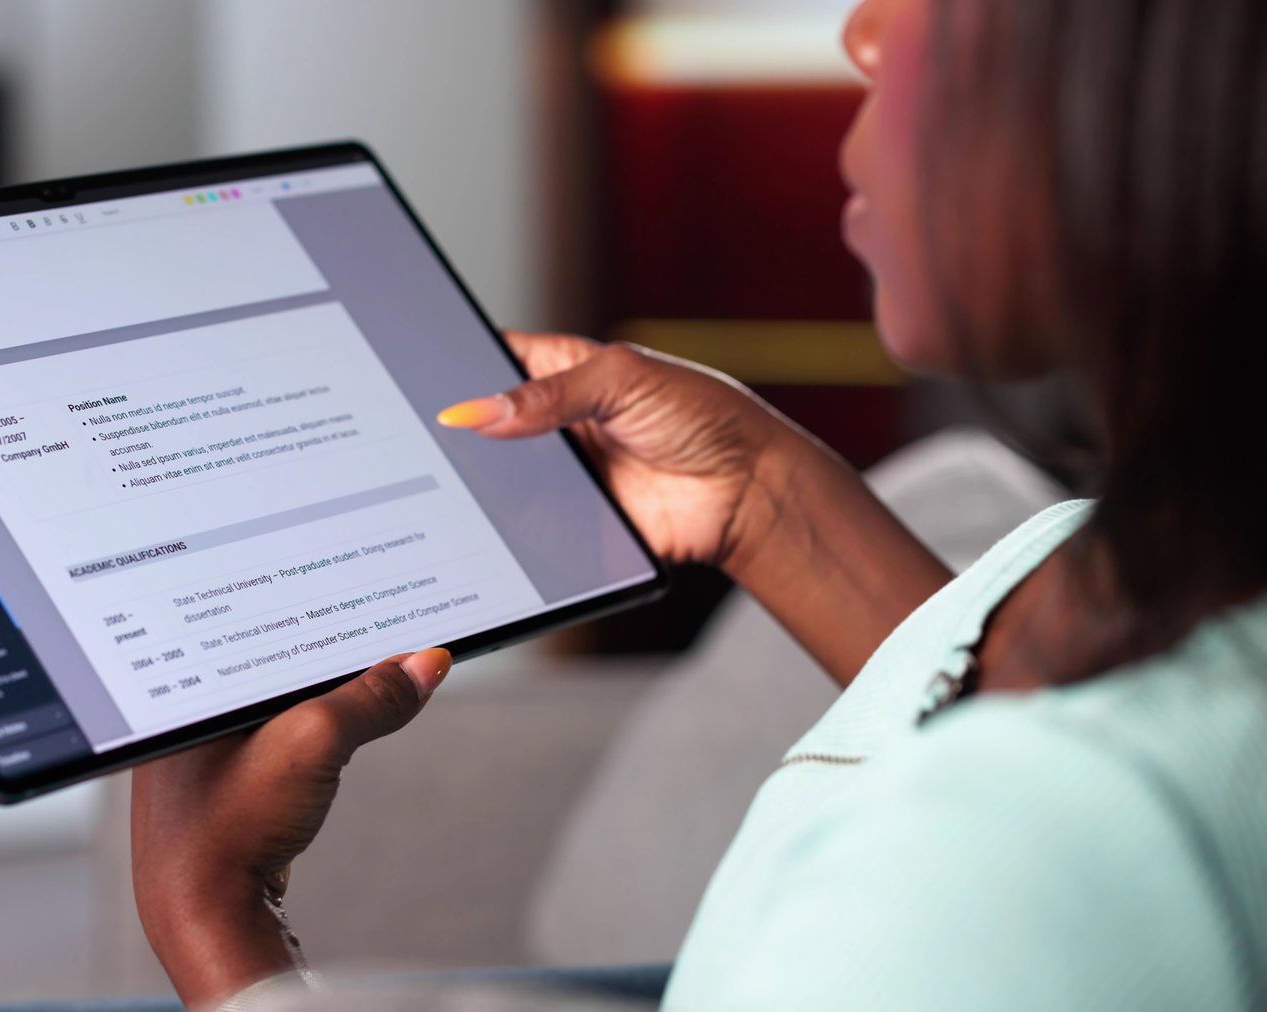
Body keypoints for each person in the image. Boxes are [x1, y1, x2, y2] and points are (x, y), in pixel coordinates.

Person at [127, 0, 1267, 1008]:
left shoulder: (1021, 867)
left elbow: (1029, 827)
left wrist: (220, 920)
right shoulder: (1170, 583)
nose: (863, 32)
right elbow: (1033, 720)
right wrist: (760, 495)